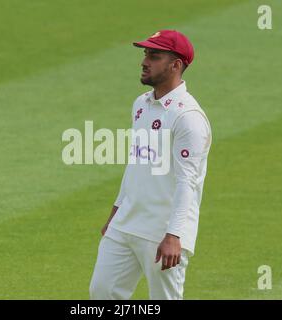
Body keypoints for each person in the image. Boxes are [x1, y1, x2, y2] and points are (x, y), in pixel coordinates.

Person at [89, 30, 212, 300]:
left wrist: (174, 235)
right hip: (126, 222)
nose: (144, 61)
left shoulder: (188, 117)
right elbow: (137, 165)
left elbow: (186, 182)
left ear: (175, 65)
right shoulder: (141, 105)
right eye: (145, 54)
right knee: (102, 293)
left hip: (162, 232)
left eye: (154, 56)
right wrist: (115, 213)